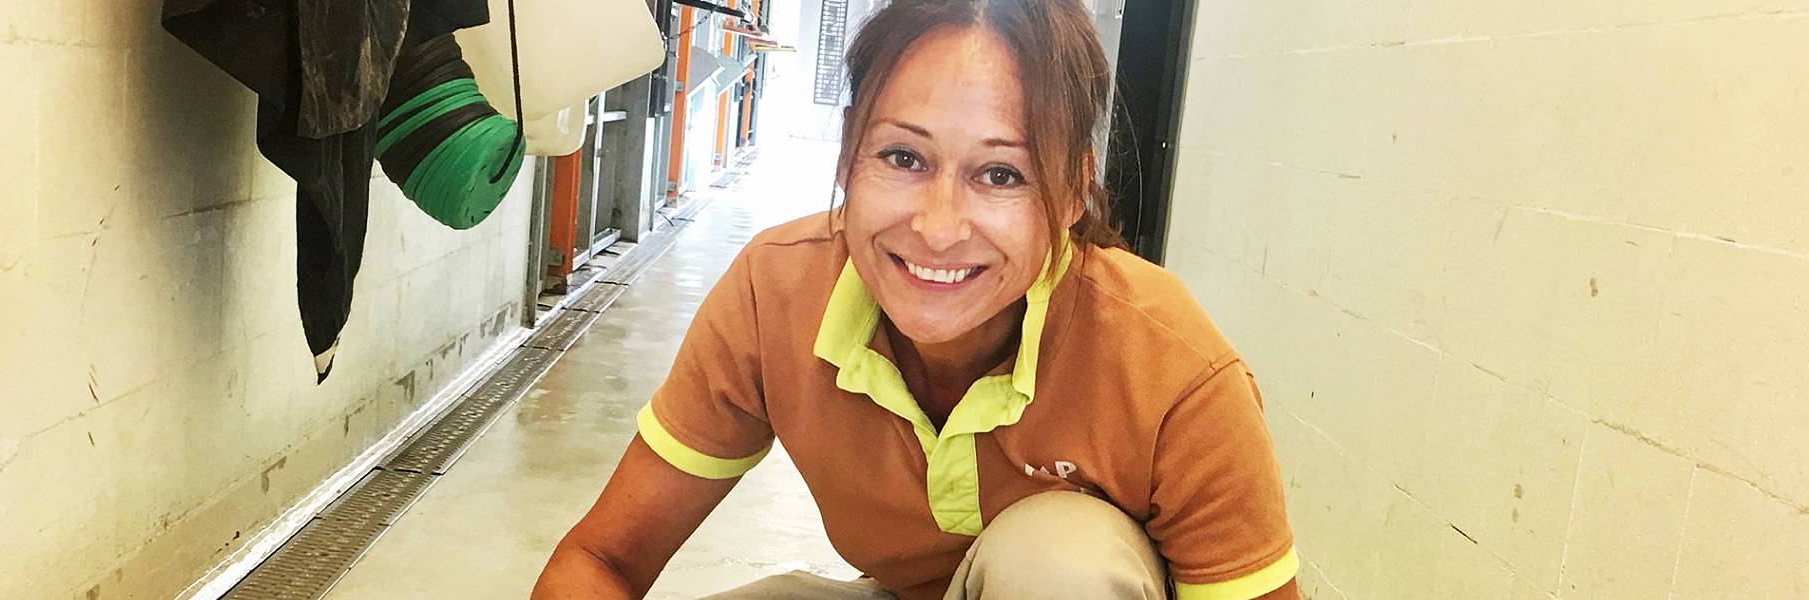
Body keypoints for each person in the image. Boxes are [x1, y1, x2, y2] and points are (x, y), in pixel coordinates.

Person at [532, 0, 1298, 598]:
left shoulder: (1171, 368)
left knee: (1063, 565)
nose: (937, 228)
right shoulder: (778, 292)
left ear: (1073, 190)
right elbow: (604, 558)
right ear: (848, 156)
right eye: (903, 157)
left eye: (1000, 174)